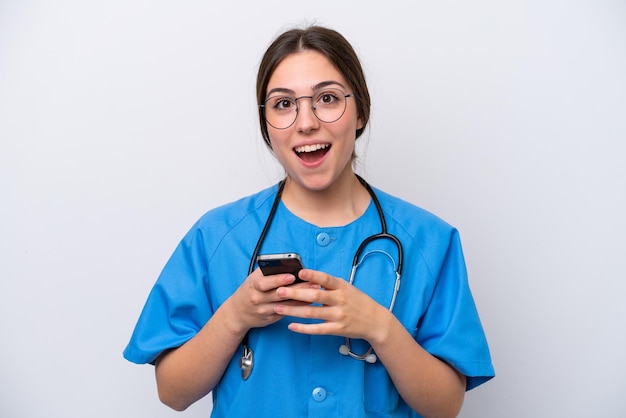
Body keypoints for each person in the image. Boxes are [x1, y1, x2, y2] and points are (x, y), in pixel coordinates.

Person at [123, 25, 494, 418]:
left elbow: (446, 406)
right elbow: (172, 392)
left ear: (361, 111)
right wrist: (235, 317)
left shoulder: (429, 242)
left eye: (327, 99)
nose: (306, 123)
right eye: (283, 104)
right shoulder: (217, 237)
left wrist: (379, 328)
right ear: (266, 124)